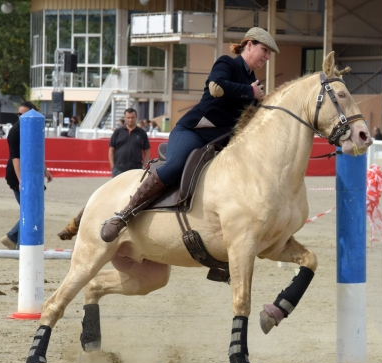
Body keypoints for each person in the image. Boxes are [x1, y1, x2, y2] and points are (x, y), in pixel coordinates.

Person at [100, 27, 278, 243]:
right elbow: (216, 88)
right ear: (249, 45)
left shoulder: (253, 82)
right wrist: (250, 92)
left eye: (269, 53)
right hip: (194, 132)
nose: (267, 57)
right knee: (175, 166)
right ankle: (124, 214)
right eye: (265, 50)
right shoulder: (227, 64)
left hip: (221, 143)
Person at [1, 101, 53, 250]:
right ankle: (13, 238)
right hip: (18, 174)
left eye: (24, 114)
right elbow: (15, 157)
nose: (21, 117)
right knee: (30, 209)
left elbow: (36, 152)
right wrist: (21, 180)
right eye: (19, 114)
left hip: (32, 173)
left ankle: (15, 241)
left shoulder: (34, 128)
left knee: (33, 208)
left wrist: (45, 170)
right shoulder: (15, 131)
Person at [108, 108, 150, 178]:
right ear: (125, 118)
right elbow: (111, 150)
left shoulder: (142, 133)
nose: (130, 120)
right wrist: (113, 168)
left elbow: (147, 151)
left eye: (132, 117)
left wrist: (144, 166)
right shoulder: (118, 132)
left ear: (136, 117)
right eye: (128, 117)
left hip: (136, 170)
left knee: (135, 189)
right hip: (119, 169)